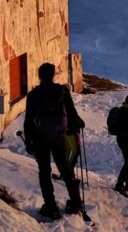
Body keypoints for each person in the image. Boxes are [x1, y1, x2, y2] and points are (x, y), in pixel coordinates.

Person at [24, 62, 84, 219]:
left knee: (44, 173)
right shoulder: (62, 91)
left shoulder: (33, 94)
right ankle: (76, 202)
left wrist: (29, 141)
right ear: (53, 75)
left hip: (40, 140)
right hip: (59, 138)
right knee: (66, 170)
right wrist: (75, 126)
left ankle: (51, 207)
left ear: (39, 76)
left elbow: (28, 120)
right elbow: (71, 112)